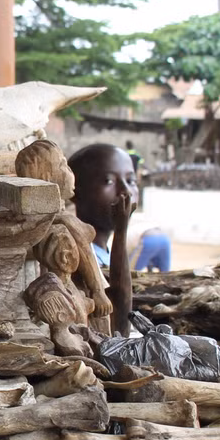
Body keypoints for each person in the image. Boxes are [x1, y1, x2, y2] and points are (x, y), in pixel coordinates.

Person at [68, 143, 139, 336]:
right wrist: (121, 231)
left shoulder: (103, 253)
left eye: (131, 180)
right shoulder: (76, 258)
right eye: (109, 181)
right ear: (75, 191)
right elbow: (120, 322)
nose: (125, 191)